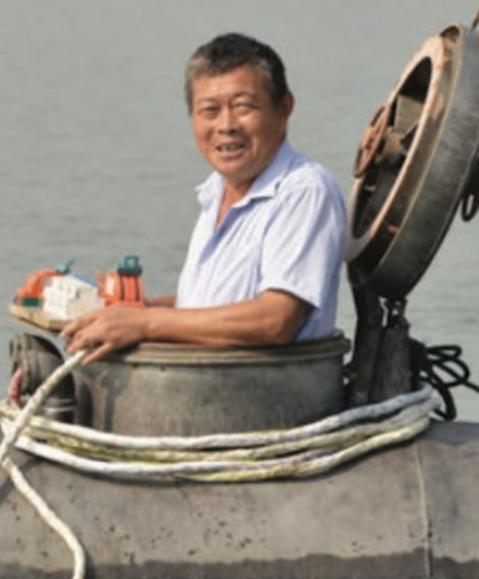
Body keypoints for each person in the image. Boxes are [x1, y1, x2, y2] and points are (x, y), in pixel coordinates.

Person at [62, 33, 346, 364]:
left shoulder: (303, 191)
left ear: (284, 108)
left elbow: (275, 319)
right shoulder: (216, 190)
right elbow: (209, 305)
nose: (226, 125)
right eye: (209, 110)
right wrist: (135, 311)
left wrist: (146, 323)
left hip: (269, 390)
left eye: (243, 107)